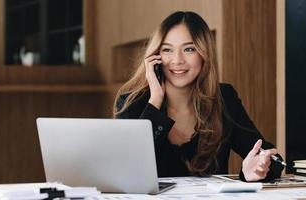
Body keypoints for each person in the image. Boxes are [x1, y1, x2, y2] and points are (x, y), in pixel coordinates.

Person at [113, 11, 284, 181]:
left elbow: (273, 161)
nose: (177, 60)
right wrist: (155, 100)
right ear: (155, 57)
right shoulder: (131, 102)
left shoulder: (224, 98)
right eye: (167, 50)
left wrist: (254, 171)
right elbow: (124, 170)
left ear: (204, 54)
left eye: (189, 49)